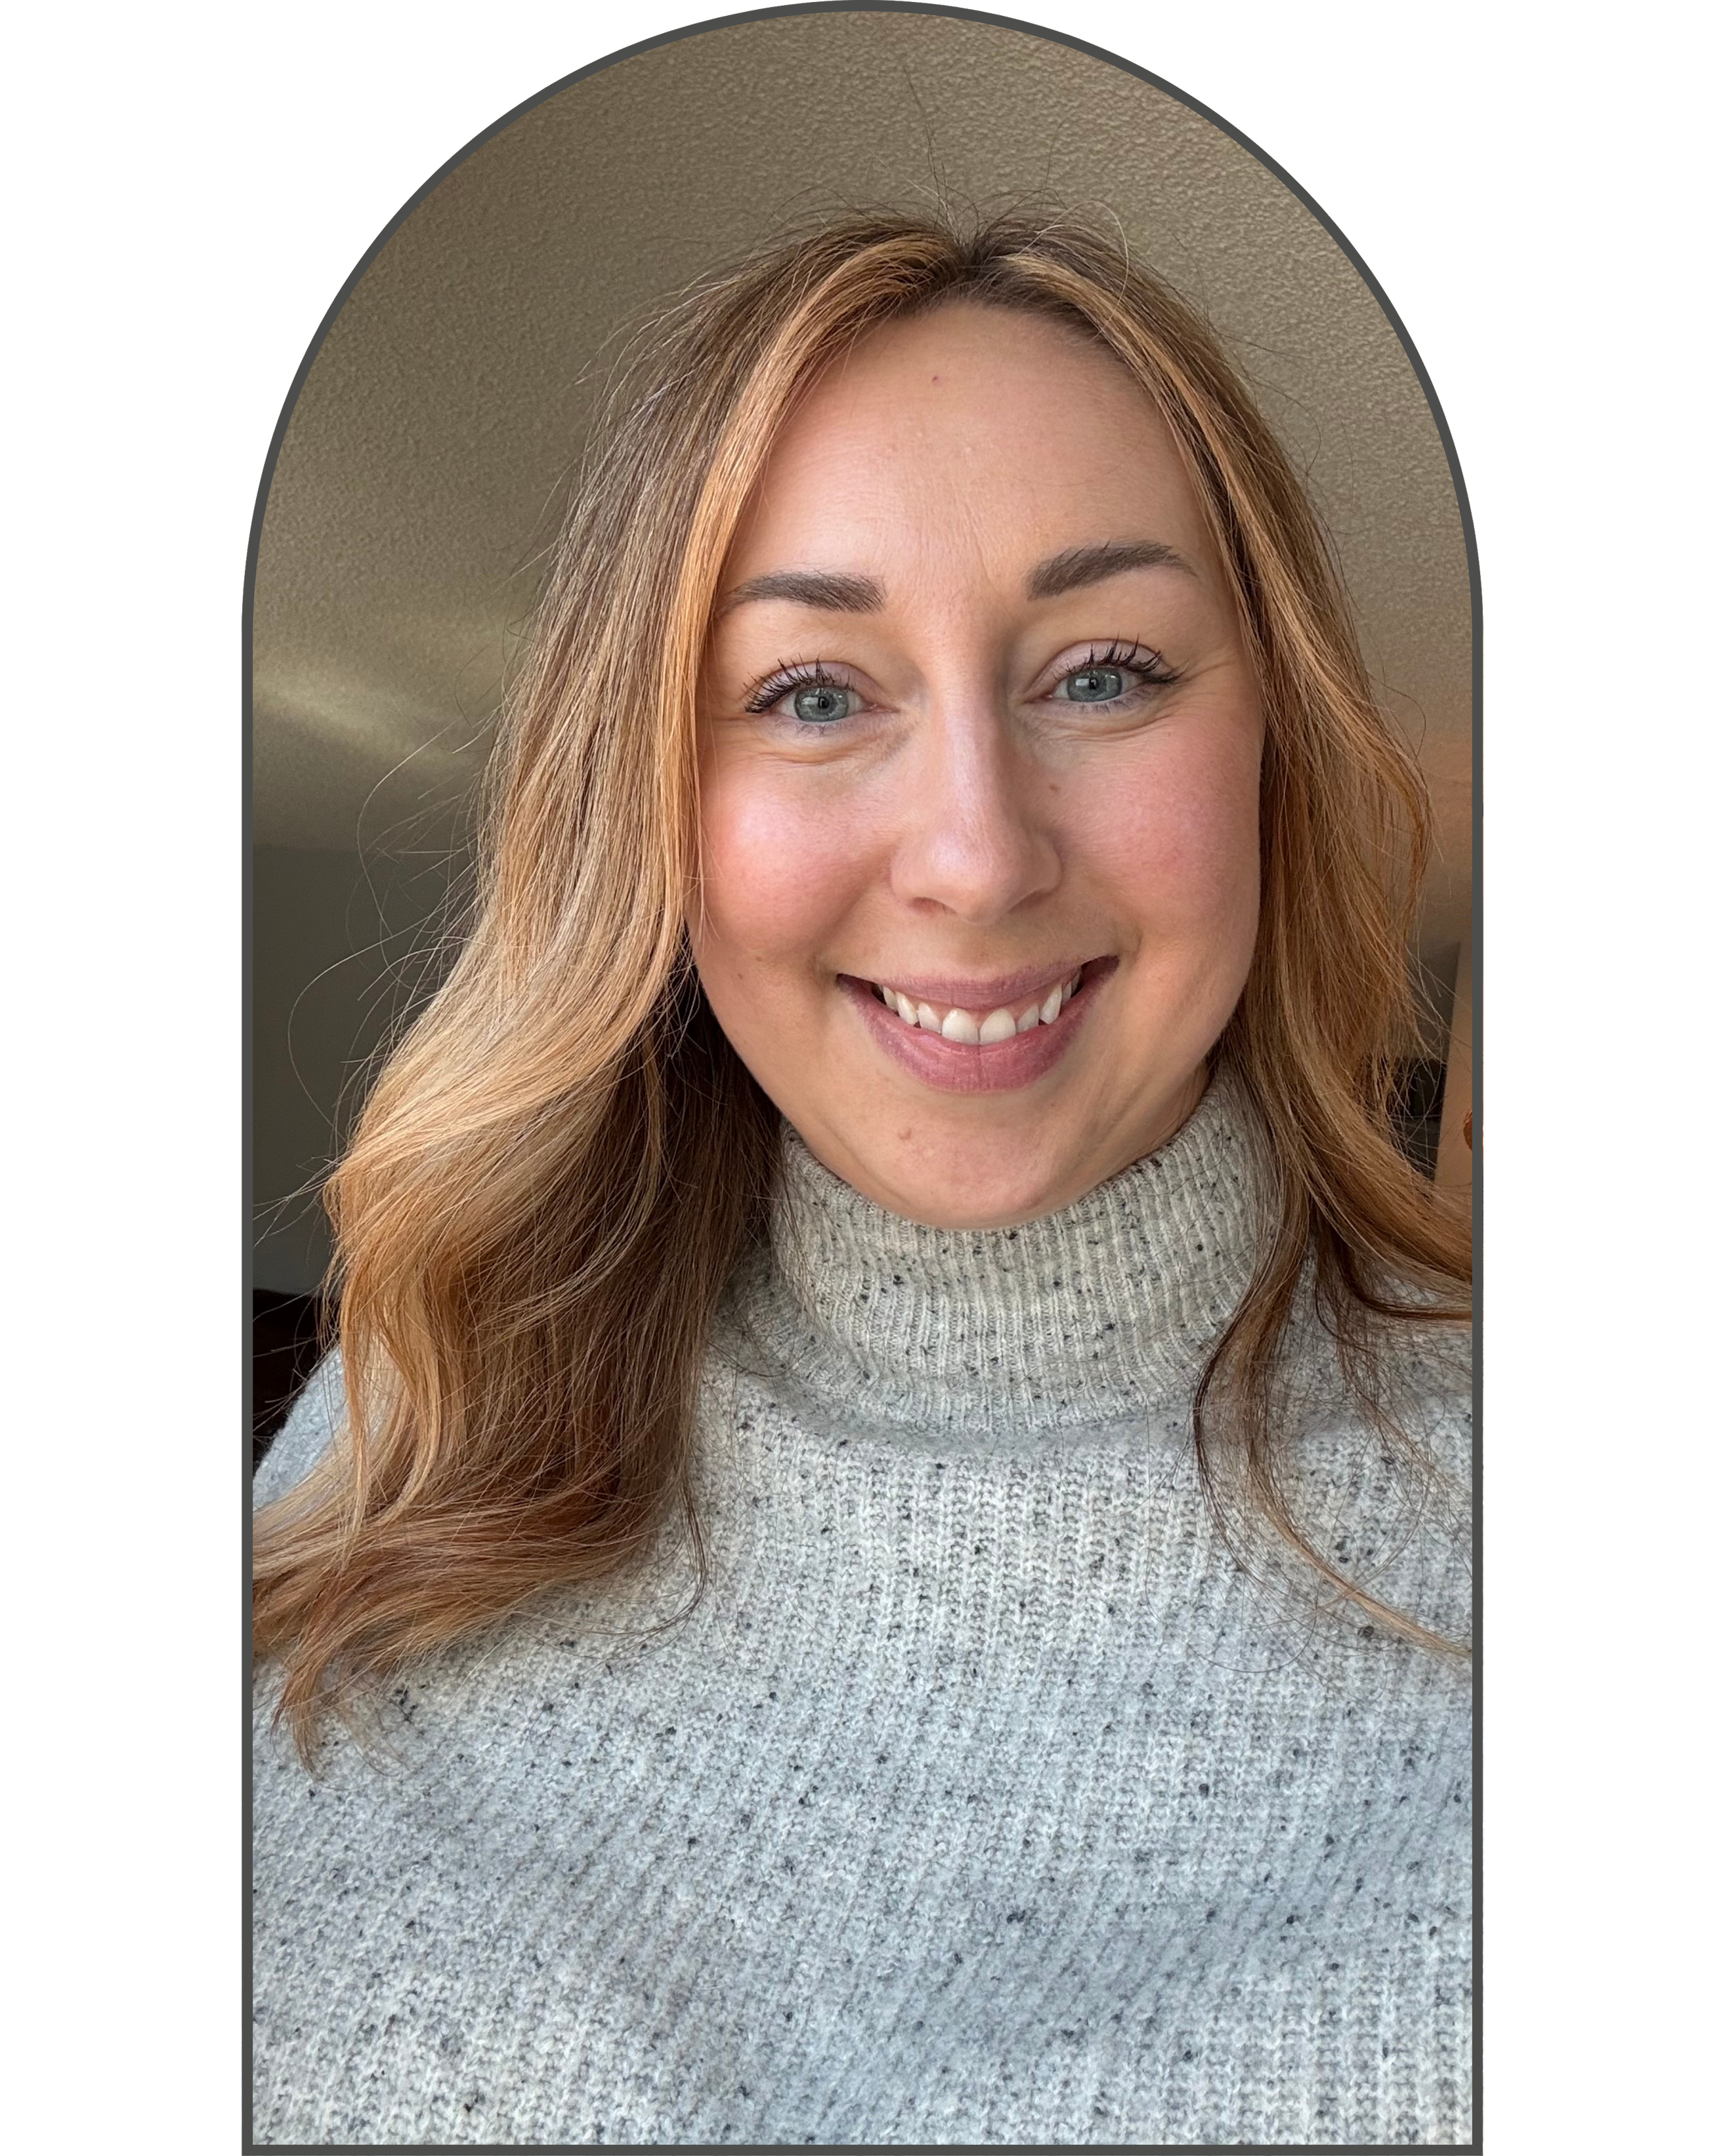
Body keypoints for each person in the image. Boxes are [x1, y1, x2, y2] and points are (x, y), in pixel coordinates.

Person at [252, 206, 1472, 2146]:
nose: (976, 859)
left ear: (1272, 743)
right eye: (814, 693)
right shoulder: (412, 1426)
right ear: (650, 800)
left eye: (1100, 670)